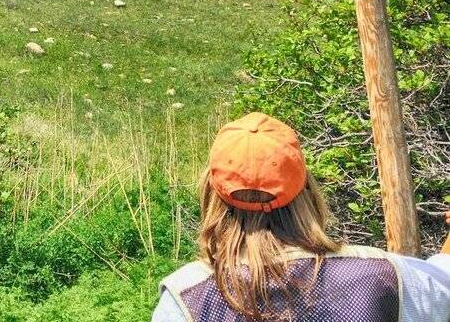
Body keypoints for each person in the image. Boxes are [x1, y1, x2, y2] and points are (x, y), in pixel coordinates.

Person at [152, 112, 450, 322]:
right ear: (306, 190)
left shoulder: (187, 297)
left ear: (211, 196)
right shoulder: (383, 277)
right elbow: (444, 285)